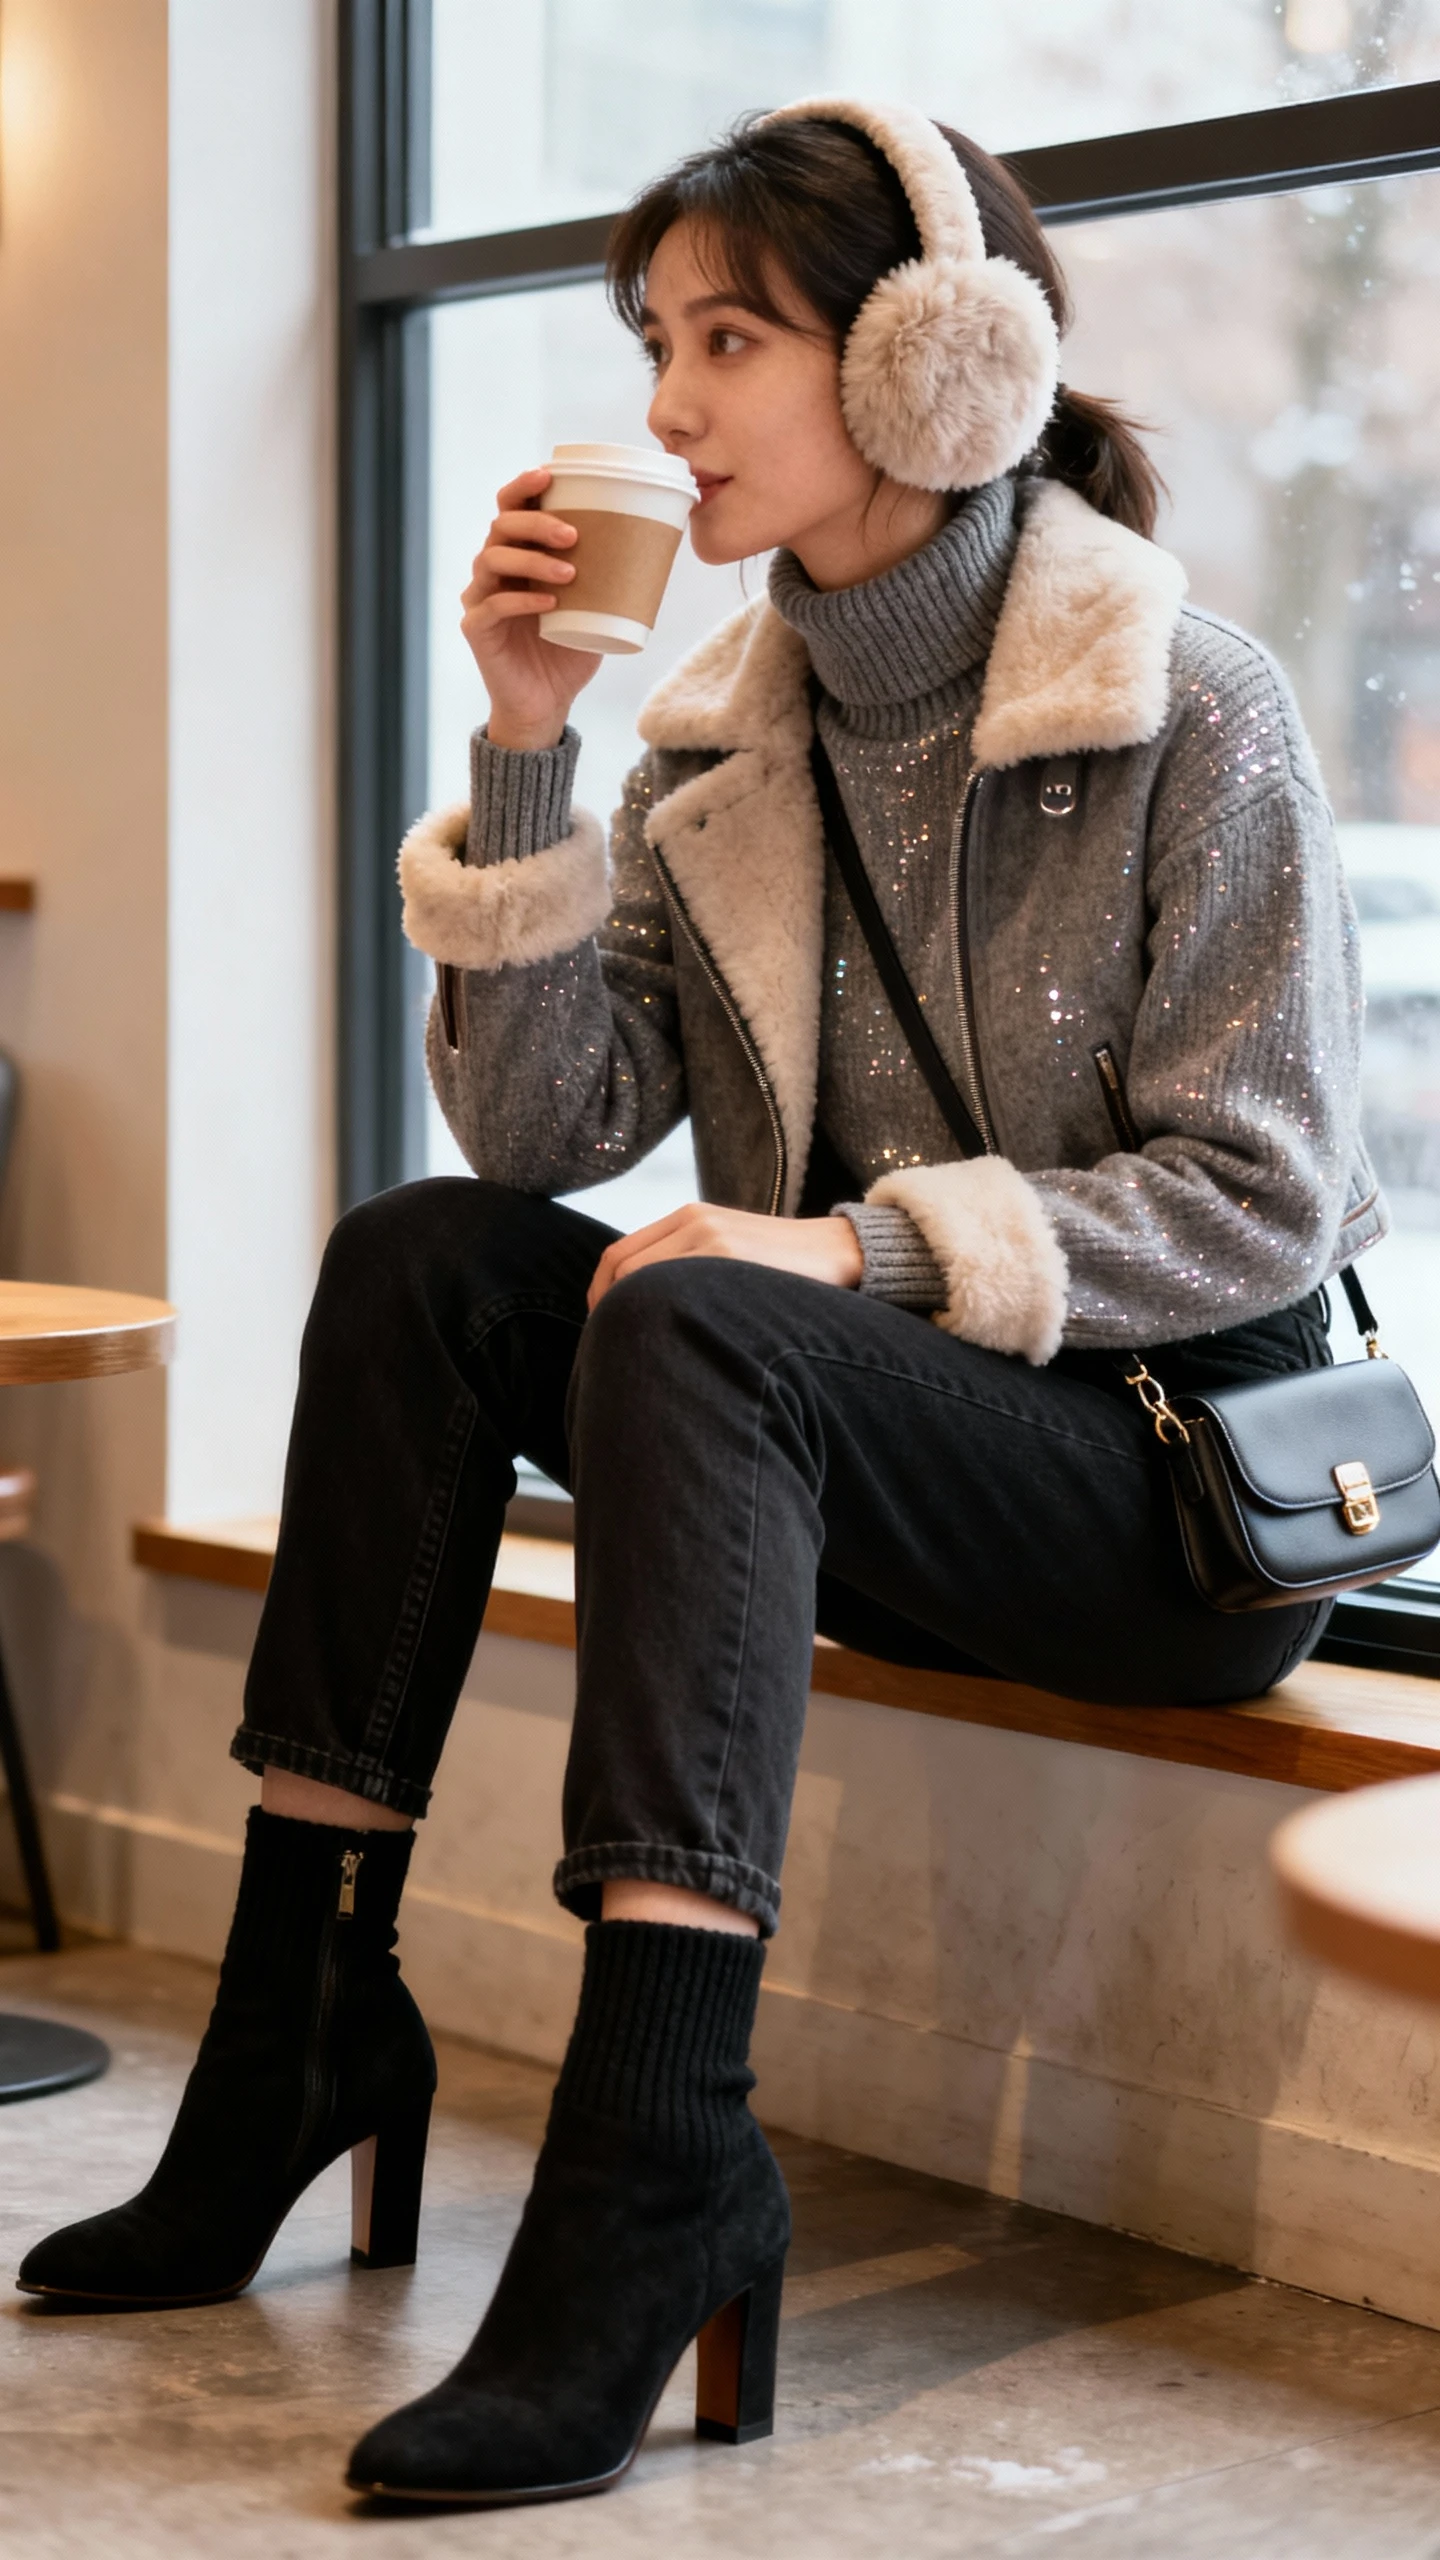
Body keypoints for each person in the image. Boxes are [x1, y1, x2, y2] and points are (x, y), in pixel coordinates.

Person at [18, 96, 1382, 2507]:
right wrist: (528, 745)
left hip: (1161, 1499)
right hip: (821, 1439)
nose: (663, 406)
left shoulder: (1198, 702)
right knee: (424, 1260)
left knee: (709, 1310)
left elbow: (1264, 1195)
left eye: (725, 337)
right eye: (655, 337)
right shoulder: (716, 736)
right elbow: (538, 1140)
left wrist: (856, 1243)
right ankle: (300, 2023)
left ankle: (659, 2156)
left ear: (935, 361)